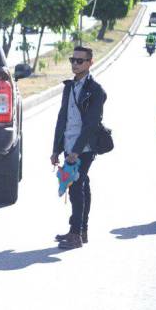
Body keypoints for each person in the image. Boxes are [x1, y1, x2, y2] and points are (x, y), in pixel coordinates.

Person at [50, 46, 107, 249]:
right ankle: (81, 230)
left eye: (80, 61)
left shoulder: (96, 91)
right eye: (73, 60)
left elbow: (91, 124)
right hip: (68, 144)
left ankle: (76, 234)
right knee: (82, 185)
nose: (75, 64)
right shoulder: (69, 87)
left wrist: (76, 151)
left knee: (76, 187)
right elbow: (62, 118)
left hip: (84, 148)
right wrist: (56, 149)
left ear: (90, 63)